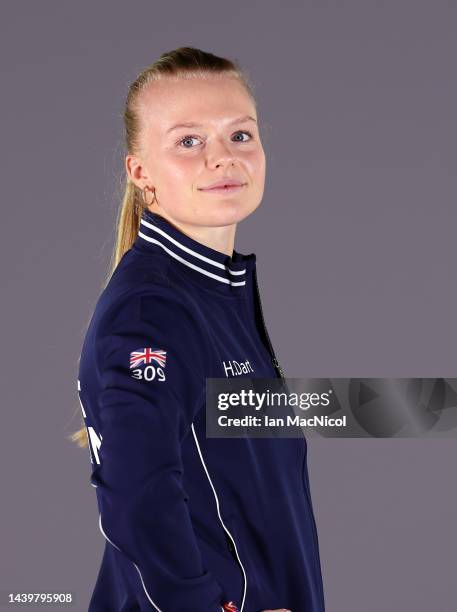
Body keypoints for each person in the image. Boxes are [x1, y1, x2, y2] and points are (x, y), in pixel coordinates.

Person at [72, 46, 325, 612]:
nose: (223, 158)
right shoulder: (152, 309)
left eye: (240, 135)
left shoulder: (211, 291)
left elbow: (231, 440)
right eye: (189, 141)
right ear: (140, 172)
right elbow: (136, 499)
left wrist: (423, 406)